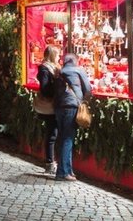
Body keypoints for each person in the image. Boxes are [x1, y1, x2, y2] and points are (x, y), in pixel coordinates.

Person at [53, 53, 91, 182]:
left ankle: (68, 170)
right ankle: (62, 172)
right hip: (71, 106)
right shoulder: (78, 70)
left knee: (63, 137)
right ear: (75, 61)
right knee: (68, 138)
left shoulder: (59, 71)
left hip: (58, 107)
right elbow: (88, 89)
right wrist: (85, 102)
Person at [36, 46, 61, 175]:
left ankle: (52, 161)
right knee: (52, 134)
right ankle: (50, 163)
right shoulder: (45, 69)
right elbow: (45, 89)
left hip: (54, 105)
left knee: (53, 134)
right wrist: (57, 88)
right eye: (57, 55)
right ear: (52, 55)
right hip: (50, 106)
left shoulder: (51, 67)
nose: (59, 58)